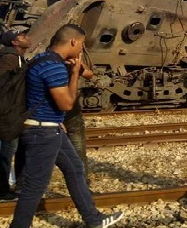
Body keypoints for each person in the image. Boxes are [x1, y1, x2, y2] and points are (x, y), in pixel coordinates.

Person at [10, 24, 124, 228]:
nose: (82, 48)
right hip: (42, 132)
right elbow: (67, 103)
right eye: (81, 43)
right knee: (35, 186)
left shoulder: (41, 58)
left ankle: (94, 219)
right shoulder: (54, 67)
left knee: (75, 169)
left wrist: (57, 120)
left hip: (50, 127)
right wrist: (73, 75)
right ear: (73, 41)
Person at [0, 29, 31, 201]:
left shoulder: (18, 58)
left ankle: (22, 184)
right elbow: (4, 86)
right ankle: (2, 191)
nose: (27, 38)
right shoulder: (9, 59)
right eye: (22, 36)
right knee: (8, 151)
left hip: (18, 111)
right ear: (15, 43)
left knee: (22, 148)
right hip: (11, 112)